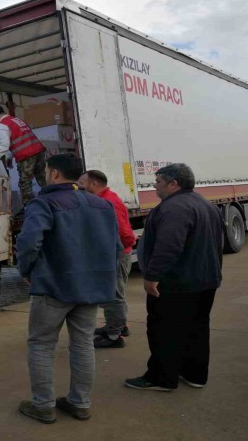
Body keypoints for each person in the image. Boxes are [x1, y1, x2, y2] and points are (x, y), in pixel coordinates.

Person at [16, 154, 123, 424]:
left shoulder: (44, 203)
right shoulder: (102, 205)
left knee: (41, 344)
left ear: (53, 174)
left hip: (53, 287)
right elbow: (117, 248)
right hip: (90, 290)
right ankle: (80, 402)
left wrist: (27, 271)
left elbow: (29, 243)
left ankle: (42, 405)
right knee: (83, 344)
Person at [125, 163, 224, 392]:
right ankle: (195, 374)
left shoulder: (173, 209)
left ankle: (162, 378)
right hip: (205, 280)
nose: (155, 186)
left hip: (178, 283)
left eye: (158, 182)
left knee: (164, 330)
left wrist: (152, 276)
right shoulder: (205, 204)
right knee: (196, 329)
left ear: (173, 184)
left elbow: (169, 246)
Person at [78, 170, 136, 348]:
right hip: (117, 253)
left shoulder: (107, 201)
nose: (78, 187)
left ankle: (113, 336)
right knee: (116, 292)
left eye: (81, 183)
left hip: (116, 255)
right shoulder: (107, 197)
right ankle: (118, 325)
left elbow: (123, 232)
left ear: (93, 184)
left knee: (113, 295)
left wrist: (124, 248)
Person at [0, 106, 46, 214]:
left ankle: (29, 209)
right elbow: (17, 139)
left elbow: (4, 146)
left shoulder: (2, 125)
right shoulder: (17, 120)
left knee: (25, 183)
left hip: (26, 156)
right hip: (39, 151)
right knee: (42, 179)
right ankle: (51, 202)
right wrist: (9, 156)